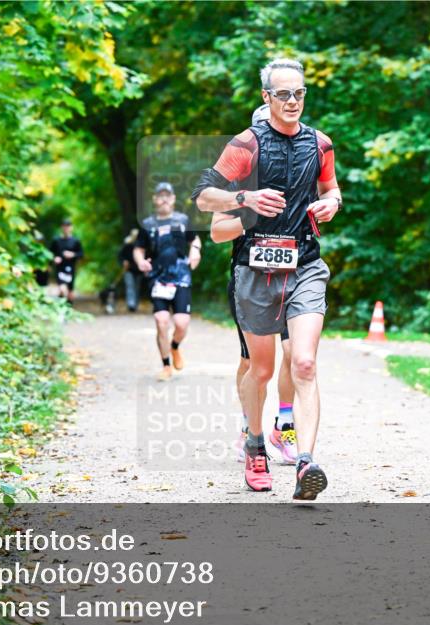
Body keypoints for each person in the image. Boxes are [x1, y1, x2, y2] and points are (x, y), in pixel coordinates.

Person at [194, 59, 342, 499]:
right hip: (256, 271)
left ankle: (305, 463)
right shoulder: (246, 145)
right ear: (266, 98)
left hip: (305, 266)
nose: (293, 101)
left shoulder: (321, 144)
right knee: (260, 368)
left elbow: (332, 188)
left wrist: (331, 203)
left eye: (299, 93)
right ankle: (255, 445)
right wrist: (247, 201)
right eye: (283, 94)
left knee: (304, 362)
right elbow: (203, 198)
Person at [212, 104, 297, 467]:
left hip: (292, 276)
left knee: (295, 354)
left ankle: (286, 425)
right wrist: (251, 214)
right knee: (252, 363)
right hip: (249, 276)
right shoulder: (238, 182)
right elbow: (217, 231)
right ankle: (250, 426)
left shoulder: (299, 173)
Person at [134, 182, 202, 381]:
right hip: (158, 279)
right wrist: (140, 262)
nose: (164, 199)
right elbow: (138, 249)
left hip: (181, 277)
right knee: (161, 321)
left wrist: (195, 251)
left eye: (167, 195)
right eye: (160, 195)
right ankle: (166, 366)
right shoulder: (147, 224)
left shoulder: (182, 220)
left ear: (173, 199)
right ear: (154, 199)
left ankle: (174, 348)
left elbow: (195, 240)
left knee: (182, 323)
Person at [50, 219, 84, 304]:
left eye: (68, 226)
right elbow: (49, 253)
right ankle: (61, 308)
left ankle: (69, 309)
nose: (66, 228)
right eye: (64, 226)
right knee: (62, 289)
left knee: (70, 291)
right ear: (61, 227)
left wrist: (72, 255)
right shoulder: (56, 240)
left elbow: (81, 254)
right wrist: (55, 258)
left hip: (71, 268)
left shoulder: (75, 241)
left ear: (71, 228)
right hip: (59, 268)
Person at [118, 228, 143, 312]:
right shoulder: (127, 245)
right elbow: (120, 256)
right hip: (128, 270)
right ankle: (131, 304)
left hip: (139, 270)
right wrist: (123, 262)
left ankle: (135, 304)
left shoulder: (142, 246)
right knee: (130, 286)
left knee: (137, 287)